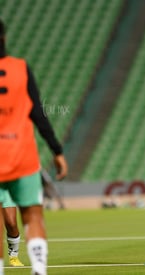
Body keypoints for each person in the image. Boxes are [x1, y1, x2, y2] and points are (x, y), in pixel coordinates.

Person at [0, 18, 68, 275]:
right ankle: (39, 269)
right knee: (33, 215)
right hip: (23, 156)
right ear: (4, 38)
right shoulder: (21, 68)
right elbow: (38, 114)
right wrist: (57, 150)